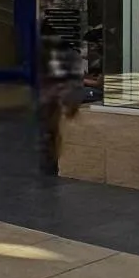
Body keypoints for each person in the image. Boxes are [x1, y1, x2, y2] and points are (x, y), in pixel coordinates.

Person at [37, 18, 86, 175]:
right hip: (53, 98)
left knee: (49, 134)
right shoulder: (60, 52)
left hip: (53, 99)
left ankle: (49, 165)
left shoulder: (54, 52)